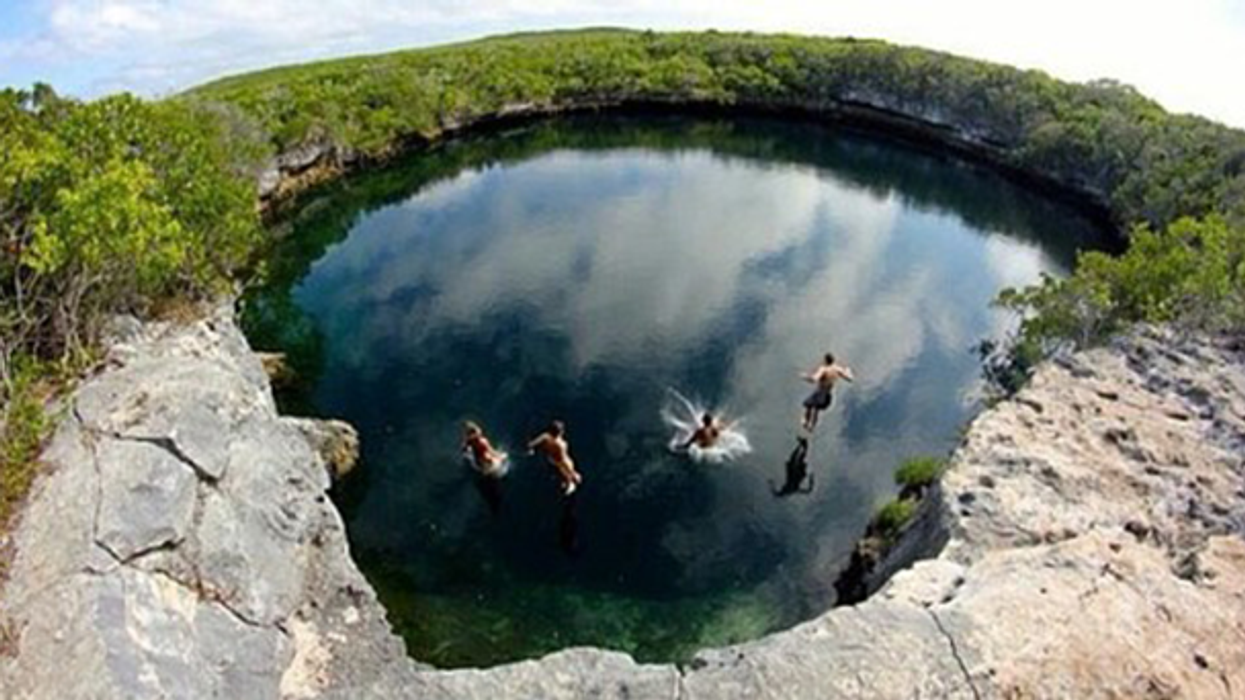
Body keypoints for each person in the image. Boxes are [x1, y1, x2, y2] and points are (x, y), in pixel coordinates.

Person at [528, 420, 583, 496]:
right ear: (560, 432)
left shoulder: (545, 436)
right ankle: (569, 483)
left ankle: (568, 481)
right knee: (567, 473)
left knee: (563, 471)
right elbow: (563, 459)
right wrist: (572, 473)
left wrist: (532, 449)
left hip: (550, 459)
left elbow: (532, 444)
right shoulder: (562, 445)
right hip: (559, 462)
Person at [801, 352, 854, 431]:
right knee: (816, 409)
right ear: (833, 361)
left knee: (809, 405)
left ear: (825, 361)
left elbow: (814, 379)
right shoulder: (838, 369)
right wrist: (849, 371)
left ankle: (806, 422)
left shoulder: (823, 369)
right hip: (828, 396)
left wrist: (805, 376)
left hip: (820, 393)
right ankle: (811, 426)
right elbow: (850, 379)